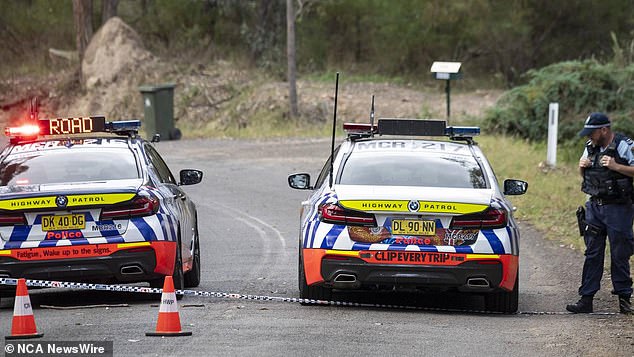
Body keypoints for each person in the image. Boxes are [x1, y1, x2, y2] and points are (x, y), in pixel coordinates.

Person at [566, 112, 634, 314]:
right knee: (593, 253)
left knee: (619, 253)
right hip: (594, 206)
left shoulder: (624, 145)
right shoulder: (589, 148)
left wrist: (616, 166)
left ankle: (624, 300)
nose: (588, 137)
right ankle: (586, 299)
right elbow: (586, 176)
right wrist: (581, 167)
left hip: (619, 208)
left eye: (591, 132)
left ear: (604, 130)